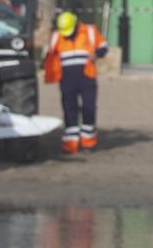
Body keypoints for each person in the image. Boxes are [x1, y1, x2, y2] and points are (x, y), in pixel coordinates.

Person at [42, 11, 108, 154]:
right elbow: (49, 55)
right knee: (69, 110)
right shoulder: (56, 36)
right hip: (66, 79)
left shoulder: (90, 31)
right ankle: (70, 145)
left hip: (87, 77)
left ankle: (88, 143)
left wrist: (97, 54)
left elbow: (104, 46)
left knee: (89, 108)